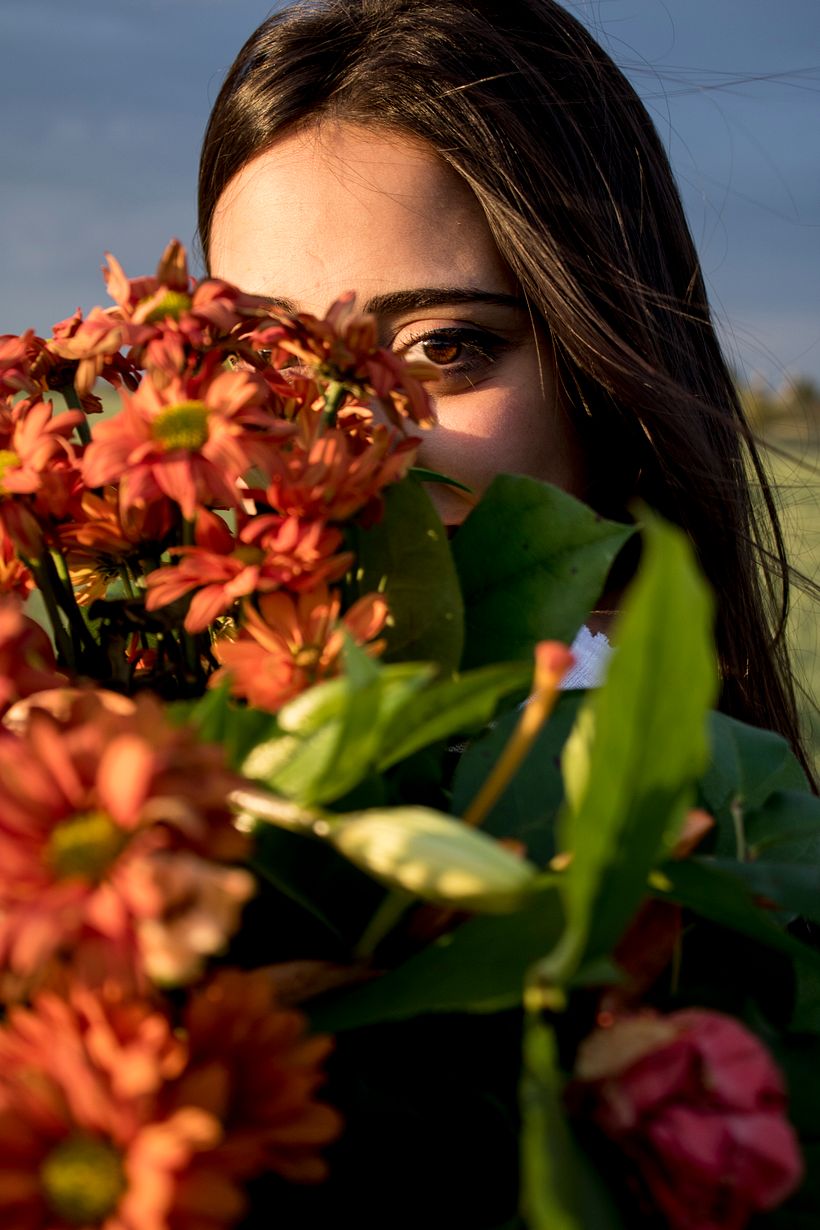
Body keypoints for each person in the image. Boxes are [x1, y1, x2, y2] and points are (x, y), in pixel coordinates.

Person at [197, 0, 811, 778]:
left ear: (606, 370)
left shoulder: (706, 856)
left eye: (443, 348)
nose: (340, 452)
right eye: (268, 362)